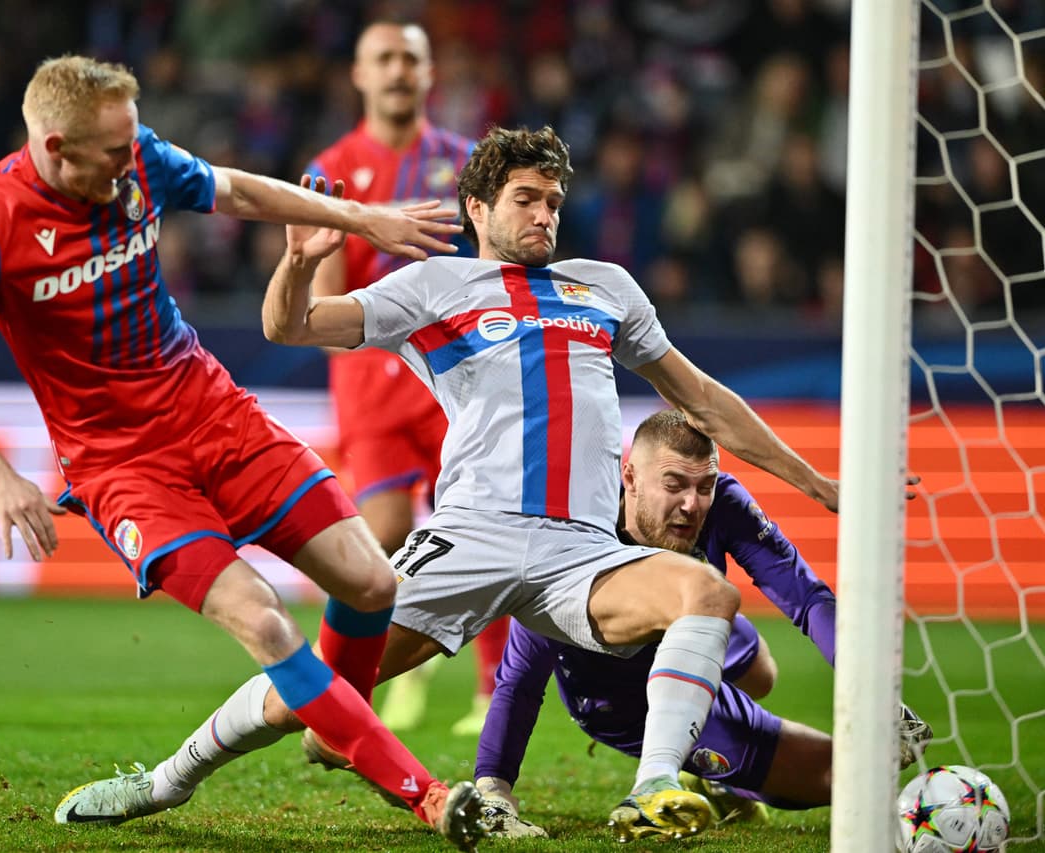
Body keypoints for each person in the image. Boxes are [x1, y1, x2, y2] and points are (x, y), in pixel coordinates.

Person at [101, 124, 839, 844]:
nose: (544, 214)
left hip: (581, 552)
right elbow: (289, 328)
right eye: (526, 198)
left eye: (552, 200)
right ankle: (166, 777)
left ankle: (653, 786)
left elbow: (703, 398)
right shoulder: (435, 283)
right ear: (478, 210)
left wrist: (814, 481)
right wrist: (299, 263)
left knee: (706, 593)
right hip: (472, 536)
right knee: (320, 688)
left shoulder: (606, 289)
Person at [0, 55, 487, 852]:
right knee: (264, 622)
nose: (131, 159)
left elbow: (233, 189)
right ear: (56, 147)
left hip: (210, 409)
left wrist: (359, 221)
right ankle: (425, 792)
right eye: (111, 150)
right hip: (121, 466)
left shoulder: (133, 156)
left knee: (373, 580)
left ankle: (331, 723)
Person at [471, 409, 934, 838]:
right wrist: (493, 785)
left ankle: (711, 751)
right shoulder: (574, 532)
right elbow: (521, 681)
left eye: (705, 485)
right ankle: (698, 766)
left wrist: (875, 695)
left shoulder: (722, 503)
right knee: (843, 778)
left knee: (762, 672)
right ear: (630, 478)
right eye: (674, 484)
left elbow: (808, 598)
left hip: (700, 629)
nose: (693, 505)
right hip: (620, 695)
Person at [304, 20, 508, 737]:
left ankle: (493, 688)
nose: (396, 71)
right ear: (358, 75)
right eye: (383, 59)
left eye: (409, 60)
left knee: (488, 524)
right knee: (381, 534)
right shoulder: (331, 171)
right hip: (374, 384)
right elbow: (322, 304)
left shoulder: (472, 168)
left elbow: (502, 276)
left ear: (429, 75)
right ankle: (352, 684)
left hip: (461, 377)